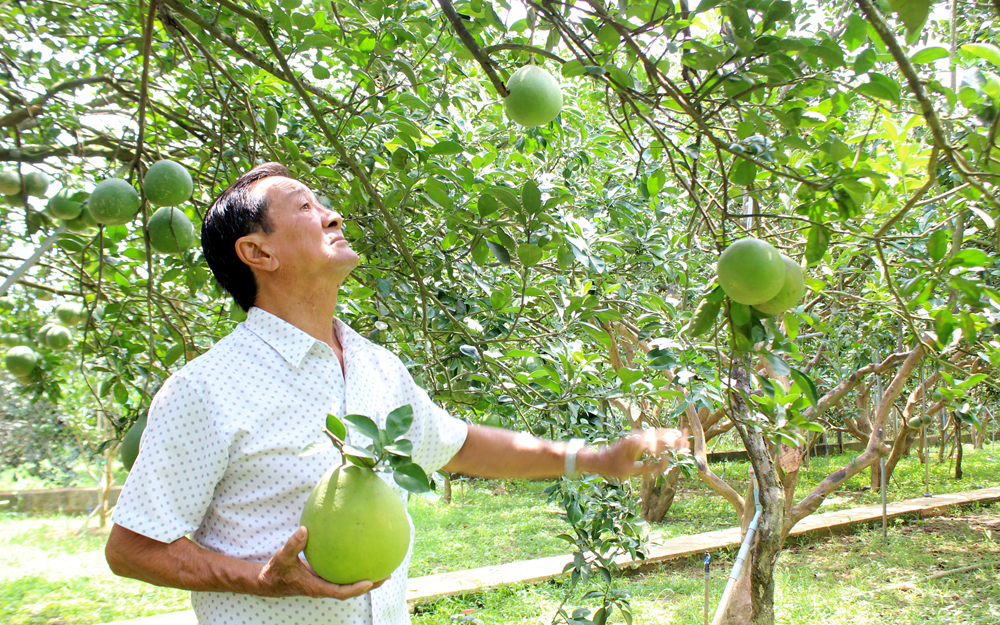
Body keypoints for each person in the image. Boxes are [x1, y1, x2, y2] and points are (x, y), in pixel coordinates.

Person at [105, 162, 689, 625]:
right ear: (258, 252)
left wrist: (593, 458)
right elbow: (132, 549)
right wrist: (259, 577)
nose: (333, 215)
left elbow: (457, 445)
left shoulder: (374, 366)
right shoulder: (206, 389)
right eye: (306, 207)